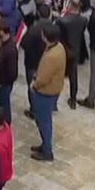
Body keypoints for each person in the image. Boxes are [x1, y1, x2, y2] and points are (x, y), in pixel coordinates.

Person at [29, 26, 65, 161]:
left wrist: (34, 85)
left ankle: (47, 151)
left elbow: (43, 78)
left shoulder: (52, 56)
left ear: (45, 37)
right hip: (52, 90)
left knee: (43, 121)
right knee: (45, 120)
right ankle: (44, 145)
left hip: (46, 92)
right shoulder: (58, 47)